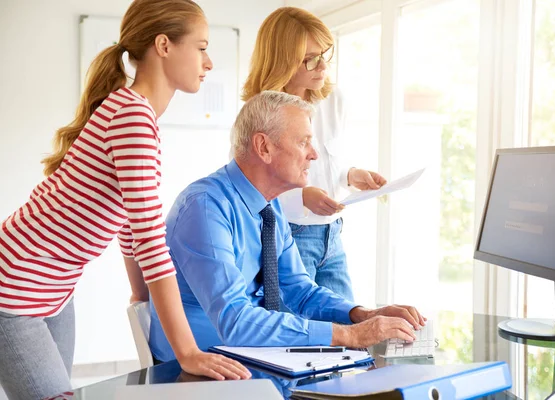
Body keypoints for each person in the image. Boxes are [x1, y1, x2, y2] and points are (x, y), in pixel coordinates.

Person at [0, 1, 250, 398]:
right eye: (201, 47)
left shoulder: (136, 114)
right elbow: (150, 240)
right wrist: (187, 352)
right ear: (164, 45)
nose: (209, 62)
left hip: (56, 291)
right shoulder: (132, 116)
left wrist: (141, 297)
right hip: (14, 289)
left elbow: (130, 227)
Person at [148, 91, 425, 361]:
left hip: (252, 359)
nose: (314, 154)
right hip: (198, 371)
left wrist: (362, 315)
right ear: (264, 147)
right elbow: (236, 322)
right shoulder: (206, 208)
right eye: (304, 142)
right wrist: (349, 335)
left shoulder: (270, 207)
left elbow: (300, 291)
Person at [242, 7, 387, 302]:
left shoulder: (334, 100)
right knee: (297, 333)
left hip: (331, 235)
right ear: (282, 61)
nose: (322, 67)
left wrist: (351, 175)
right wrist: (301, 197)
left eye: (324, 55)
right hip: (289, 236)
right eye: (310, 59)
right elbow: (249, 185)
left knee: (346, 327)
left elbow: (331, 160)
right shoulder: (260, 112)